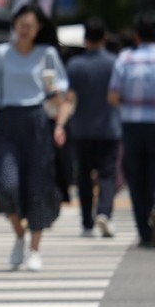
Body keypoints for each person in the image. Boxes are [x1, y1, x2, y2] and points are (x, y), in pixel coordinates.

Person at [0, 4, 70, 271]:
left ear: (39, 28)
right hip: (7, 122)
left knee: (38, 186)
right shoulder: (0, 53)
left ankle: (34, 249)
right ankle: (19, 236)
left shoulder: (47, 54)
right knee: (6, 185)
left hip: (38, 122)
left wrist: (57, 104)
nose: (25, 29)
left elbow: (62, 92)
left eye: (30, 25)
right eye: (21, 23)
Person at [108, 12, 155, 248]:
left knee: (136, 179)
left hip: (131, 126)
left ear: (137, 36)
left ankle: (144, 231)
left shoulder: (126, 59)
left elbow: (112, 96)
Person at [66, 18, 122, 238]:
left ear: (84, 39)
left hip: (82, 129)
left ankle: (87, 222)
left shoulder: (75, 65)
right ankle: (104, 213)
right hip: (109, 128)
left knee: (84, 177)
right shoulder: (115, 63)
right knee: (107, 175)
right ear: (105, 38)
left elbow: (70, 98)